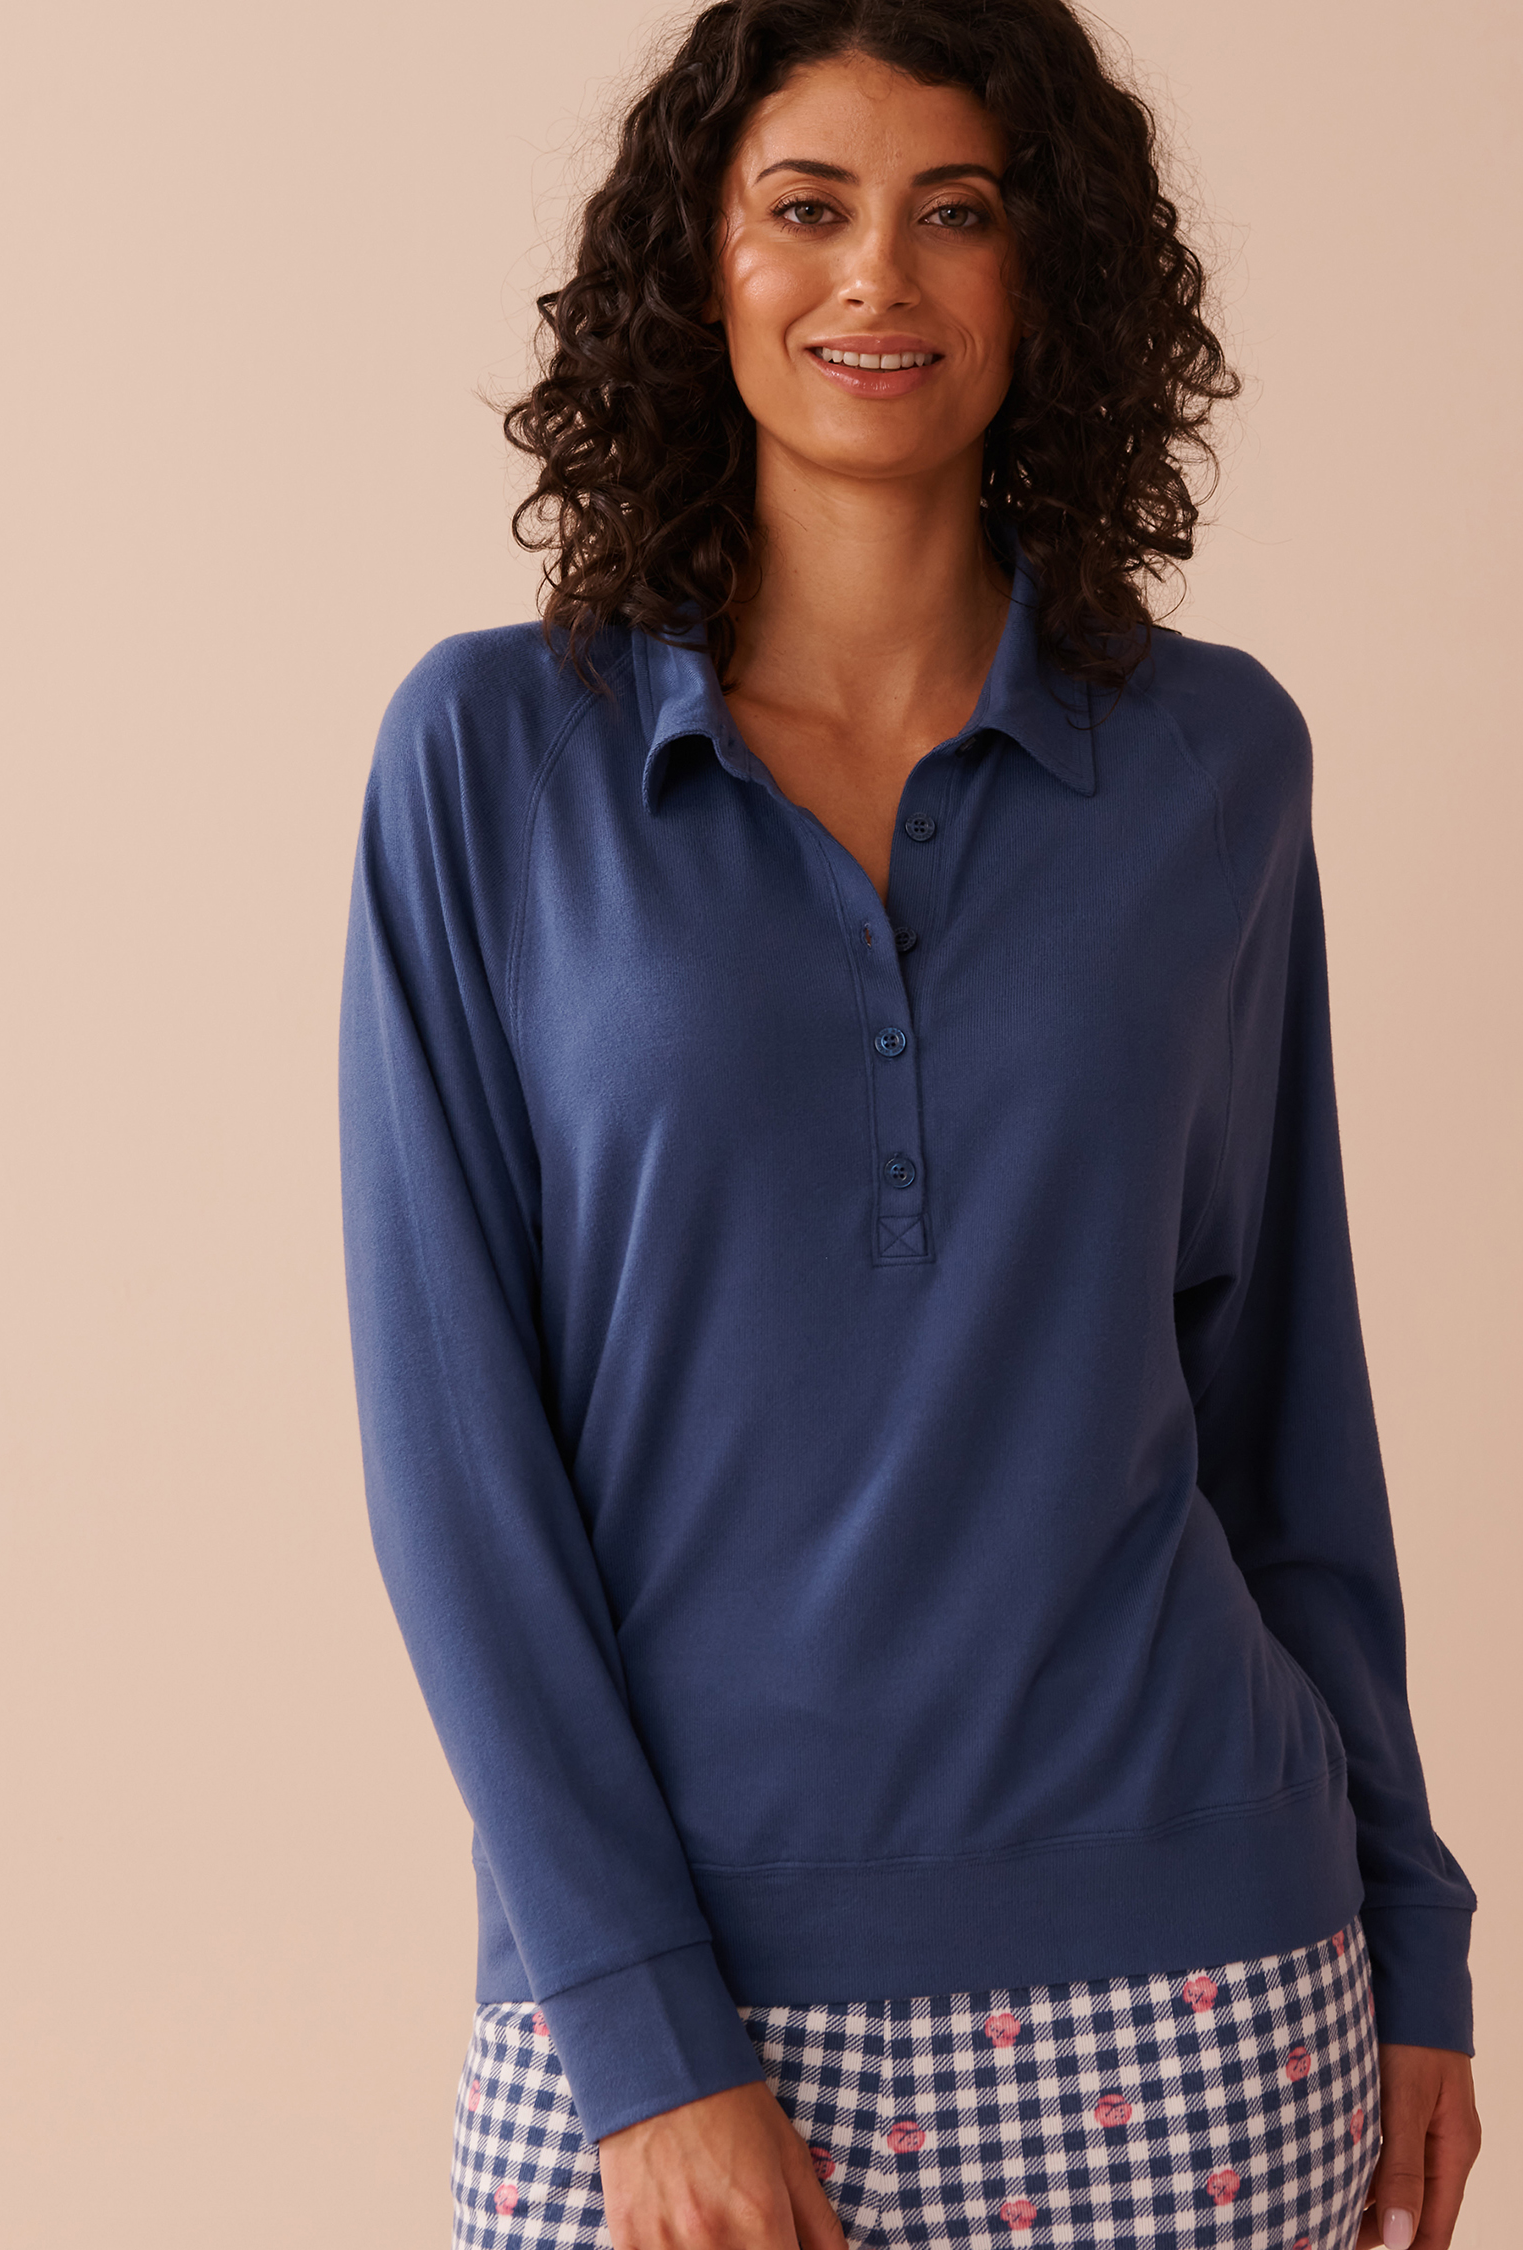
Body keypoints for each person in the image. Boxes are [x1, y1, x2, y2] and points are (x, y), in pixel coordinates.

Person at [336, 2, 1483, 2244]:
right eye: (808, 206)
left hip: (1210, 1990)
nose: (879, 274)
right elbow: (455, 1467)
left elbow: (1283, 1409)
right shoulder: (492, 762)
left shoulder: (1216, 766)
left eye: (958, 210)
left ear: (1047, 277)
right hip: (669, 2013)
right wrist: (645, 2032)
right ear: (704, 265)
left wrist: (1414, 1926)